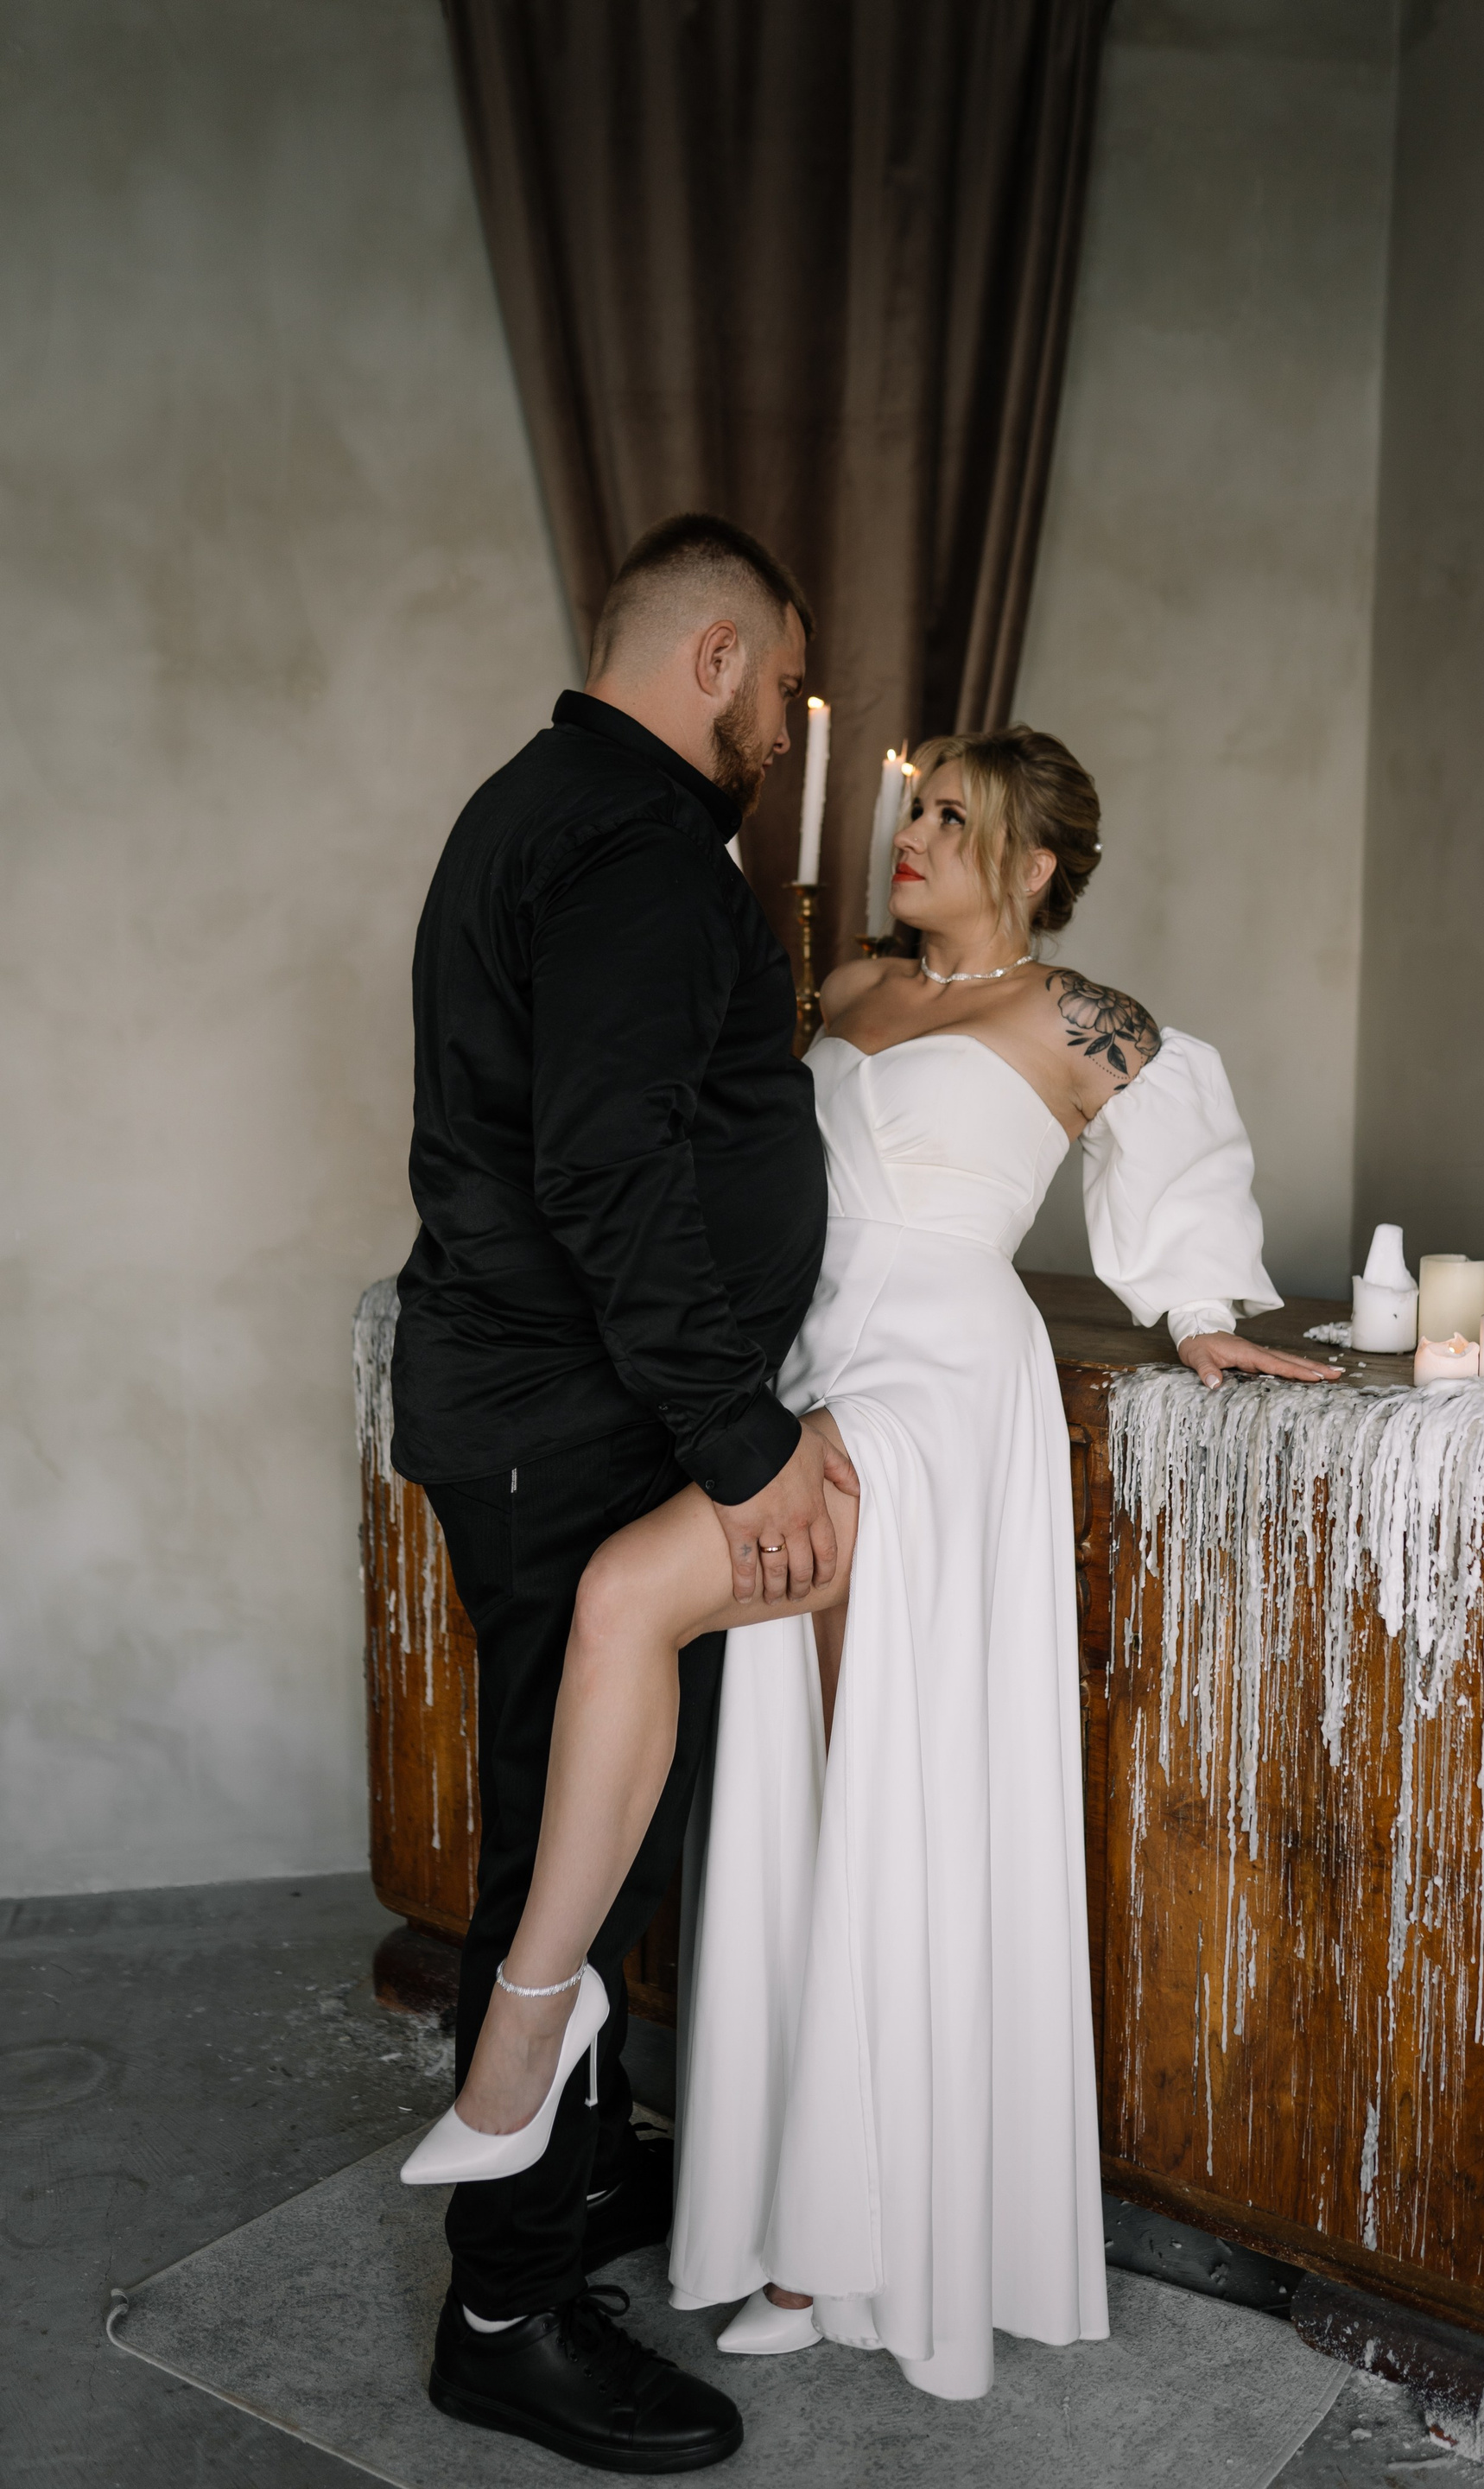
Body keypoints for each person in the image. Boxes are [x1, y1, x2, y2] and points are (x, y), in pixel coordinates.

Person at [403, 718, 1341, 2411]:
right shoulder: (836, 987)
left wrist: (1201, 1311)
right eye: (915, 809)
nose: (916, 835)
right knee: (831, 1804)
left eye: (955, 819)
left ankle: (536, 2030)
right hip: (804, 1381)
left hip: (937, 1398)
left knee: (636, 1596)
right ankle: (813, 2245)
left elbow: (1182, 1167)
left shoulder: (1075, 1018)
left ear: (1035, 863)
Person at [390, 511, 853, 2473]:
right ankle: (505, 2314)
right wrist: (743, 1437)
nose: (788, 728)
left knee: (603, 1825)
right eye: (785, 685)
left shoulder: (544, 804)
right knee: (555, 1854)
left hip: (550, 1405)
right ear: (716, 655)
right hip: (566, 1418)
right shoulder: (642, 847)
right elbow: (604, 1165)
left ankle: (570, 2177)